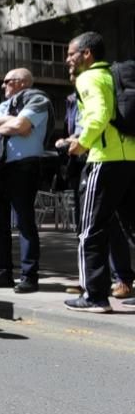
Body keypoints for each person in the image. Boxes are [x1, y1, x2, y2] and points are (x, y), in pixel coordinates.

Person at [62, 31, 135, 313]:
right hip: (130, 160)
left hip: (104, 160)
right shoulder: (114, 77)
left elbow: (100, 113)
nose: (68, 59)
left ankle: (94, 295)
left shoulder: (89, 77)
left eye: (71, 54)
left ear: (86, 54)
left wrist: (82, 143)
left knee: (90, 230)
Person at [0, 68, 51, 293]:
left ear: (21, 82)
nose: (2, 85)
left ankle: (29, 276)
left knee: (24, 222)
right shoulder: (7, 106)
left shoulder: (38, 99)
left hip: (23, 167)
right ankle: (2, 273)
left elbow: (22, 126)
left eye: (6, 81)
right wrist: (9, 121)